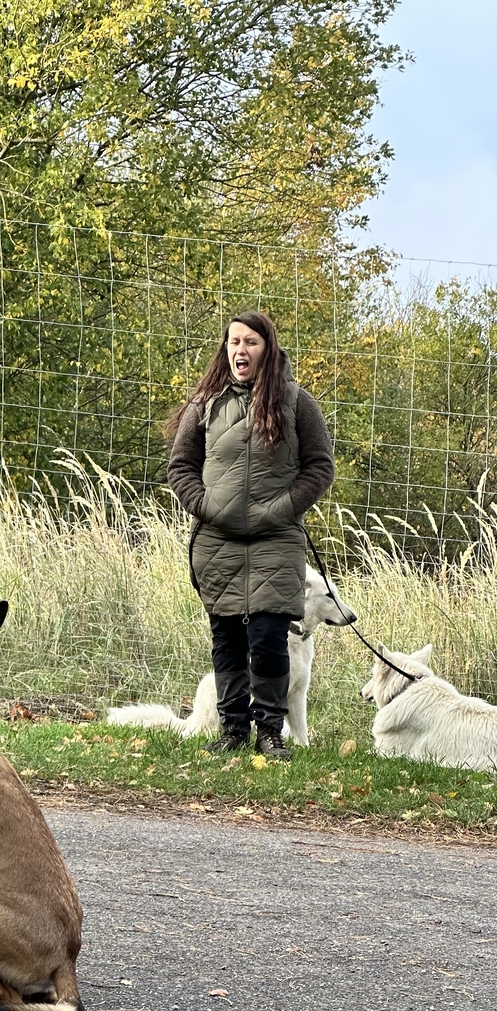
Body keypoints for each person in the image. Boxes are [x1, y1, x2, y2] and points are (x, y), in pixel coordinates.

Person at [166, 310, 335, 759]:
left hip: (275, 540)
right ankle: (234, 729)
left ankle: (270, 733)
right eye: (234, 342)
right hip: (216, 540)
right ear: (226, 349)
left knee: (267, 637)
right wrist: (205, 506)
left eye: (251, 342)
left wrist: (278, 511)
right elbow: (180, 467)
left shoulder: (298, 404)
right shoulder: (205, 405)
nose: (241, 350)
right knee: (227, 638)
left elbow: (320, 467)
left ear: (268, 348)